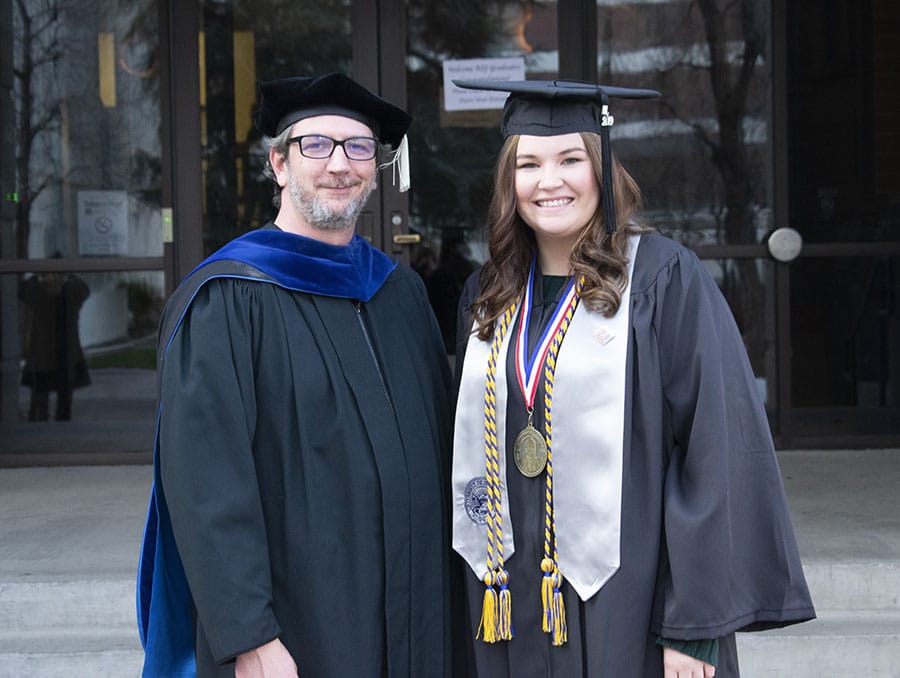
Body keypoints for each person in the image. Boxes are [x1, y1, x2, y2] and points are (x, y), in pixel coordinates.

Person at [450, 79, 815, 678]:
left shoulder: (662, 281)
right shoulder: (488, 295)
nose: (549, 181)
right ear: (507, 181)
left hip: (632, 607)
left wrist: (692, 628)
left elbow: (714, 453)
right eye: (529, 163)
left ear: (603, 169)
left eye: (571, 159)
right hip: (508, 605)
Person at [137, 72, 454, 678]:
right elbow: (206, 486)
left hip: (414, 616)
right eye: (316, 145)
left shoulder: (402, 293)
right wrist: (248, 636)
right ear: (279, 164)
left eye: (359, 147)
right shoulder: (226, 299)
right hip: (297, 628)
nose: (340, 164)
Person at [19, 264, 91, 421]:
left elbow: (23, 290)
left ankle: (43, 420)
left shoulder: (65, 292)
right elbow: (83, 289)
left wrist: (39, 275)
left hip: (54, 353)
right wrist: (67, 275)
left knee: (48, 397)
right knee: (46, 397)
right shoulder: (47, 292)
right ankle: (43, 420)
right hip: (51, 354)